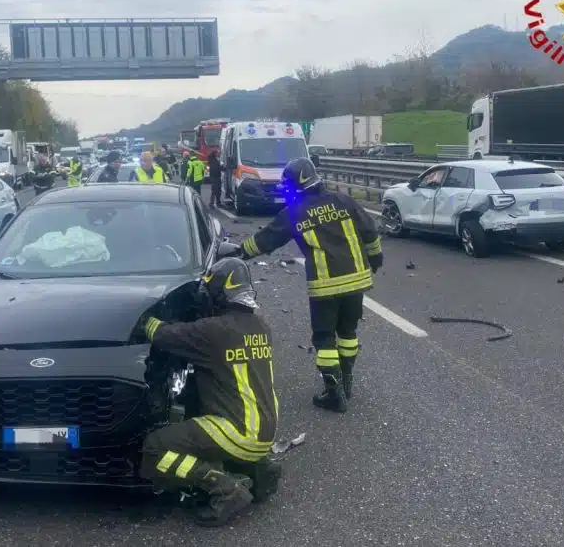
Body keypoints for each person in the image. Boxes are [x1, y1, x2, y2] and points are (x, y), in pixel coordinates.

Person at [137, 257, 281, 527]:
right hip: (265, 429)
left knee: (156, 448)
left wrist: (141, 317)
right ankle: (257, 467)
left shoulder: (213, 331)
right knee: (203, 424)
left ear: (219, 293)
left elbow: (163, 335)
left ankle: (225, 488)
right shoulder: (261, 326)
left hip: (236, 431)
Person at [238, 158, 383, 413]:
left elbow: (266, 240)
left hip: (325, 287)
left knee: (324, 337)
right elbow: (370, 232)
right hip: (357, 281)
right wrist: (376, 259)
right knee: (347, 333)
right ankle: (346, 383)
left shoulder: (294, 212)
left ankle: (334, 393)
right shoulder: (343, 201)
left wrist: (238, 254)